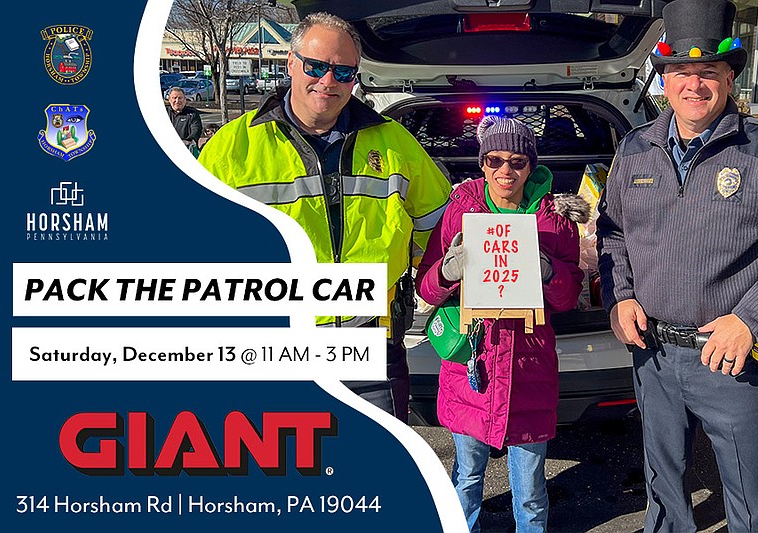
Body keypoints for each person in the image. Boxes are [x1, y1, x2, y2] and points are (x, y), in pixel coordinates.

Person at [596, 0, 758, 531]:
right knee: (663, 497)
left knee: (752, 506)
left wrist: (749, 319)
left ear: (729, 78)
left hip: (734, 359)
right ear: (664, 80)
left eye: (708, 71)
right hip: (654, 356)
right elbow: (612, 232)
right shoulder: (634, 148)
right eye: (680, 71)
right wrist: (620, 296)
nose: (694, 84)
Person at [198, 12, 452, 422]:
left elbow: (442, 228)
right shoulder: (230, 149)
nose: (328, 81)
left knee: (377, 459)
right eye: (316, 67)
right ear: (291, 63)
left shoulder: (394, 143)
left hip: (370, 345)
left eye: (343, 72)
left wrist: (442, 283)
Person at [416, 116, 587, 532]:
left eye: (517, 161)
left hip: (529, 368)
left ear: (531, 166)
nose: (504, 170)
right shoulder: (461, 210)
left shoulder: (553, 220)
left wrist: (549, 271)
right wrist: (447, 271)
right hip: (472, 365)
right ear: (482, 163)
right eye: (494, 160)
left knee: (529, 490)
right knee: (466, 477)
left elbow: (568, 298)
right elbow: (426, 287)